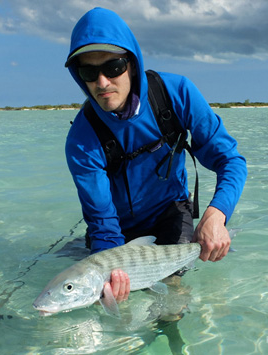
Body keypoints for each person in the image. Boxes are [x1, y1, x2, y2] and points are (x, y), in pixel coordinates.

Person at [64, 7, 247, 303]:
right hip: (116, 227)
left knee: (171, 302)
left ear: (132, 64)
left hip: (169, 213)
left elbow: (231, 160)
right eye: (88, 72)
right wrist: (111, 270)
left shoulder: (177, 94)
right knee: (98, 292)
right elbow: (103, 223)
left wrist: (217, 213)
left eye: (113, 67)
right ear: (78, 76)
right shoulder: (81, 140)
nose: (102, 82)